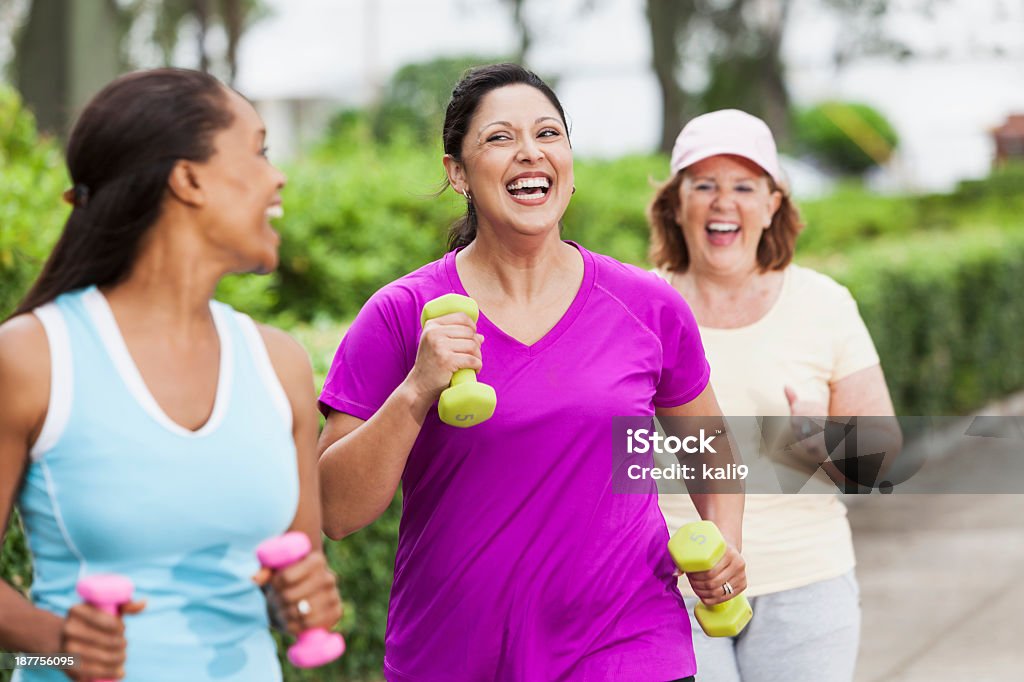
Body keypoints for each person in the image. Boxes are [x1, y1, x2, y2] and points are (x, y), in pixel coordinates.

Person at [316, 62, 745, 682]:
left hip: (627, 645)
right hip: (454, 653)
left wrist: (724, 542)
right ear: (456, 172)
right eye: (498, 138)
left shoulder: (646, 306)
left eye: (548, 134)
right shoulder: (400, 315)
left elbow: (711, 452)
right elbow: (335, 510)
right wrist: (416, 390)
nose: (529, 154)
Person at [0, 68, 342, 681]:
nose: (278, 174)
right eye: (259, 150)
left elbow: (291, 581)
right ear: (188, 179)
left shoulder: (280, 363)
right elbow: (35, 654)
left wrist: (302, 602)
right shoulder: (32, 357)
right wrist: (53, 646)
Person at [649, 109, 898, 682]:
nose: (722, 201)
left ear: (773, 203)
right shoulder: (642, 305)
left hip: (806, 586)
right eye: (703, 184)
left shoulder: (824, 304)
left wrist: (826, 443)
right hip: (669, 590)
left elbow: (881, 460)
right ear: (674, 203)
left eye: (743, 186)